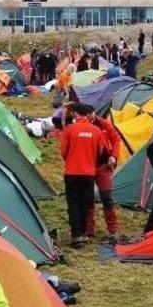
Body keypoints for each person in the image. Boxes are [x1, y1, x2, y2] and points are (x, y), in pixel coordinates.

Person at [59, 103, 107, 247]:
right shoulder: (96, 131)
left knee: (73, 203)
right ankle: (83, 232)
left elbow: (63, 152)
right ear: (86, 114)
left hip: (72, 172)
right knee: (85, 203)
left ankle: (76, 235)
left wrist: (72, 159)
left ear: (75, 114)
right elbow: (101, 152)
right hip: (88, 173)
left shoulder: (69, 130)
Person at [85, 110, 122, 243]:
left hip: (103, 167)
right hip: (87, 168)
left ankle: (113, 230)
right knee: (87, 199)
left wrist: (113, 156)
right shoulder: (80, 126)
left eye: (91, 114)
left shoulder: (104, 124)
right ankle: (89, 229)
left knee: (107, 198)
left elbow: (116, 140)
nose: (90, 117)